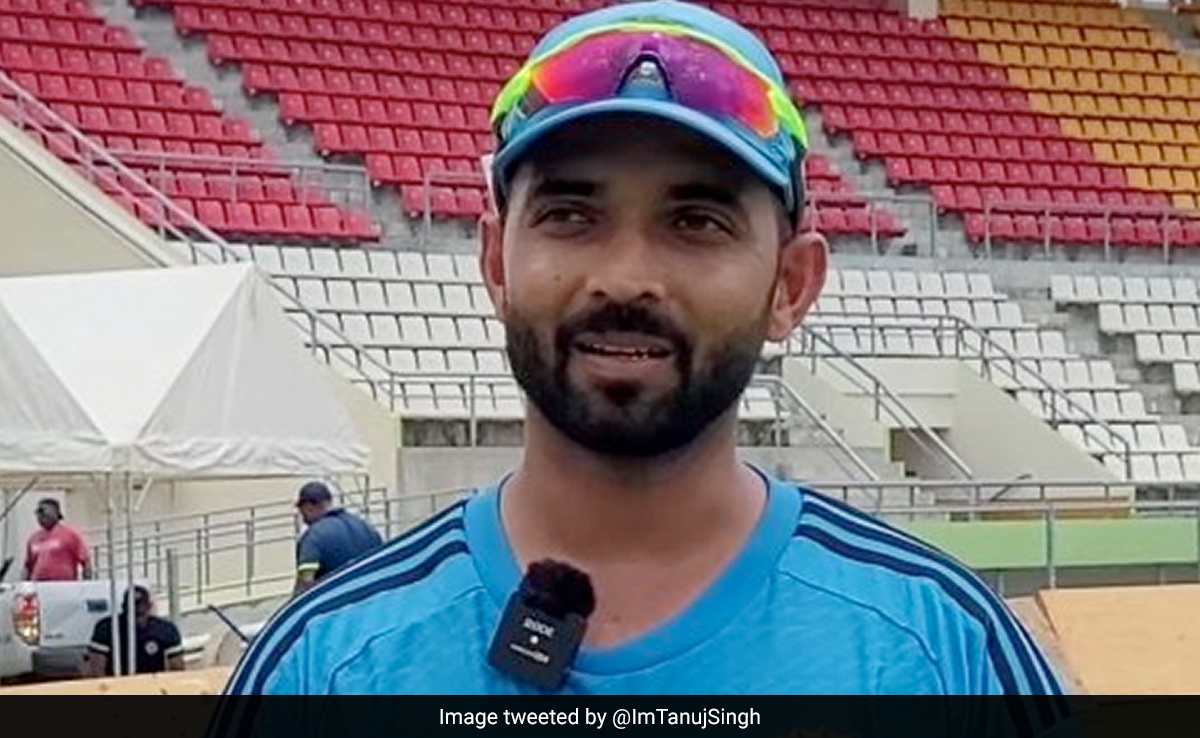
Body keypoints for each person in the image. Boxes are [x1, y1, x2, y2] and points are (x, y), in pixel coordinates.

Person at [223, 1, 1067, 702]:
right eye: (570, 215)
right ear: (496, 265)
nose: (625, 278)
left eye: (696, 221)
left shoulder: (946, 654)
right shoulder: (323, 669)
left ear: (791, 285)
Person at [292, 481, 383, 595]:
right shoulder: (365, 526)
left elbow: (305, 583)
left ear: (308, 507)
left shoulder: (313, 537)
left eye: (302, 512)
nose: (304, 520)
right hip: (372, 595)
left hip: (339, 601)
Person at [84, 585, 184, 677]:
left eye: (140, 613)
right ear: (123, 608)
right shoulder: (106, 629)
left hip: (152, 686)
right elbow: (96, 670)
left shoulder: (166, 630)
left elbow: (177, 671)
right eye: (132, 613)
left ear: (149, 607)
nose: (136, 618)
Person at [23, 498, 92, 582]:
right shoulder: (33, 539)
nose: (41, 516)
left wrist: (86, 585)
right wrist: (24, 585)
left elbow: (86, 561)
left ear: (56, 513)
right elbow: (27, 567)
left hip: (63, 585)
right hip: (38, 586)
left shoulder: (70, 535)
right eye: (38, 513)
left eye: (43, 512)